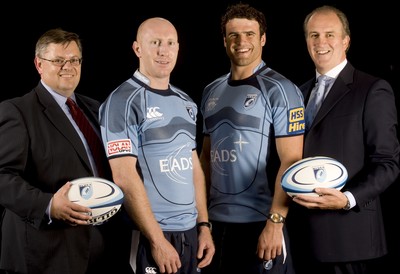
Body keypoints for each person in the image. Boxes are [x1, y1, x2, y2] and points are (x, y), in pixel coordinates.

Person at [0, 28, 132, 274]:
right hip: (49, 252)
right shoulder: (17, 111)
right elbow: (3, 177)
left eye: (73, 60)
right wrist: (49, 204)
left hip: (105, 246)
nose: (67, 66)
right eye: (58, 61)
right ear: (39, 64)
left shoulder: (95, 108)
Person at [288, 5, 400, 274]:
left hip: (349, 237)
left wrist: (348, 198)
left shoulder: (372, 89)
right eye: (313, 35)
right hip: (301, 238)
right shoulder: (296, 94)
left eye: (329, 34)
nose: (321, 42)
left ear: (346, 41)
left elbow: (387, 163)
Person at [99, 17, 215, 274]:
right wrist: (157, 240)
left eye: (170, 43)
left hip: (190, 234)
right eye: (155, 43)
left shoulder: (186, 101)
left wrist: (203, 225)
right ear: (137, 48)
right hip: (150, 236)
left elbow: (193, 167)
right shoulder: (121, 101)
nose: (164, 50)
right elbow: (124, 176)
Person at [199, 3, 305, 274]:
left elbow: (292, 162)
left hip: (260, 224)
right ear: (224, 41)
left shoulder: (282, 90)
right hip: (215, 227)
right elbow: (205, 161)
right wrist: (201, 221)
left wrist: (275, 222)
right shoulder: (211, 90)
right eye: (233, 35)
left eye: (249, 34)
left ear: (263, 39)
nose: (241, 41)